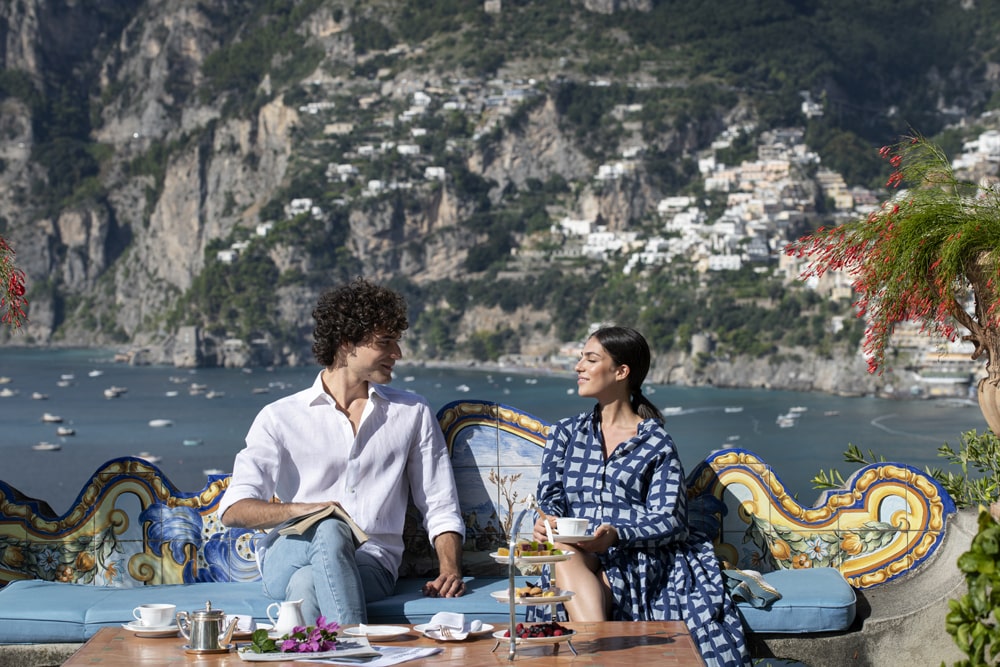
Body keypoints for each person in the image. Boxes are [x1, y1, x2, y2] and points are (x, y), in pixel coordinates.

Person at [219, 277, 466, 625]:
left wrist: (450, 568)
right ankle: (357, 648)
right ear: (347, 343)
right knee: (330, 526)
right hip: (287, 555)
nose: (398, 353)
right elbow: (233, 509)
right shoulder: (279, 417)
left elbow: (440, 504)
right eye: (385, 342)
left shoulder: (412, 413)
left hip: (372, 563)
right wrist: (305, 511)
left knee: (308, 582)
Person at [532, 326, 750, 667]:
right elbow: (550, 497)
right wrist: (546, 522)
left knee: (589, 583)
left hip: (635, 558)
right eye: (580, 359)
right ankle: (602, 659)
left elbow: (671, 520)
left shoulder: (655, 443)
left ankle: (595, 657)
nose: (579, 367)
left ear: (621, 372)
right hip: (571, 551)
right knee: (561, 551)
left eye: (591, 359)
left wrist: (617, 535)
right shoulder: (564, 434)